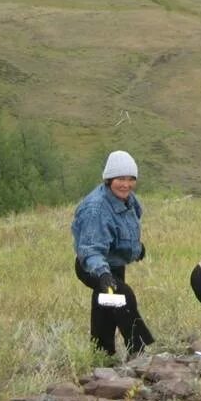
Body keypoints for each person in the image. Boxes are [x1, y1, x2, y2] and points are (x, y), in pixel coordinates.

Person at [72, 150, 154, 357]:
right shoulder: (96, 208)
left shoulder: (128, 199)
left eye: (130, 179)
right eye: (120, 179)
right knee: (123, 297)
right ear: (109, 179)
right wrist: (103, 274)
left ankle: (102, 355)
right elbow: (90, 249)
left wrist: (136, 248)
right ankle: (139, 351)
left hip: (114, 265)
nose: (126, 184)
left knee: (106, 306)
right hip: (92, 267)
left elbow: (126, 227)